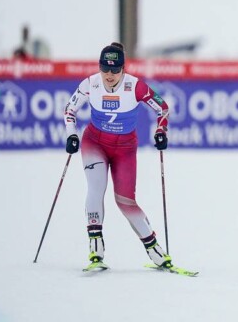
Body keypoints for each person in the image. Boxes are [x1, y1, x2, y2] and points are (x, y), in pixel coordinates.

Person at [63, 42, 172, 271]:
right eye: (105, 69)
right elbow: (70, 110)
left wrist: (161, 130)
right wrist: (72, 135)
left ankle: (155, 251)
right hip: (95, 143)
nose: (110, 75)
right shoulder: (90, 84)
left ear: (124, 68)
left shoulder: (135, 86)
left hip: (125, 149)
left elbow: (163, 108)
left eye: (115, 69)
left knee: (125, 202)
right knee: (96, 187)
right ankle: (96, 248)